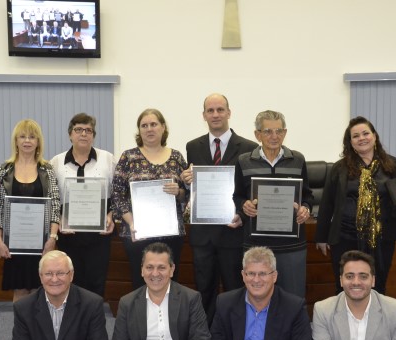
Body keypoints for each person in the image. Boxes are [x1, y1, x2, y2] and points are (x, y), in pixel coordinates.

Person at [180, 93, 257, 326]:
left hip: (233, 232)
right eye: (210, 110)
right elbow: (194, 186)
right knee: (204, 290)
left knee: (235, 289)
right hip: (203, 235)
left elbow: (250, 191)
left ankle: (234, 337)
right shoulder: (193, 146)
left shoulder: (248, 148)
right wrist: (186, 181)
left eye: (220, 110)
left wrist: (242, 216)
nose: (215, 114)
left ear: (229, 113)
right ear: (204, 115)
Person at [315, 116, 396, 294]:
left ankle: (375, 322)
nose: (362, 138)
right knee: (346, 286)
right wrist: (321, 236)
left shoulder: (392, 165)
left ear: (374, 136)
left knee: (378, 284)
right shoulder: (339, 168)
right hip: (345, 237)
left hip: (381, 239)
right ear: (350, 142)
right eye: (356, 136)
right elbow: (327, 204)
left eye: (366, 133)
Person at [207, 246, 314, 340]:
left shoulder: (293, 307)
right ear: (243, 275)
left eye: (263, 273)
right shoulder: (226, 302)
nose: (256, 280)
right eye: (251, 273)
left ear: (274, 276)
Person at [1, 250, 109, 340]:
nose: (54, 279)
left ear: (71, 275)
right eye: (48, 274)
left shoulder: (92, 304)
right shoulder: (24, 307)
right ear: (40, 277)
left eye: (60, 273)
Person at [109, 242, 210, 340]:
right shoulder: (127, 302)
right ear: (142, 270)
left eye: (161, 267)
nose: (155, 273)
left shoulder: (190, 298)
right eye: (149, 267)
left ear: (172, 269)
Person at [233, 110, 312, 298]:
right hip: (256, 246)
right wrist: (244, 205)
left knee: (293, 299)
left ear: (285, 133)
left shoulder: (298, 159)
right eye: (268, 131)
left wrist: (305, 209)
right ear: (257, 134)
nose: (274, 136)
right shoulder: (244, 161)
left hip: (291, 245)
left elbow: (307, 196)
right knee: (257, 298)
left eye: (279, 131)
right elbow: (237, 196)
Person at [112, 108, 187, 290]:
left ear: (163, 127)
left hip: (170, 233)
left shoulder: (176, 157)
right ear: (139, 130)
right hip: (137, 232)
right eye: (144, 125)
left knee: (170, 282)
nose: (149, 129)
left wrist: (179, 192)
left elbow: (187, 192)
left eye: (153, 124)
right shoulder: (128, 157)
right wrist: (131, 223)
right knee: (141, 283)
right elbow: (117, 193)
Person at [0, 119, 60, 302]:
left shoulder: (47, 169)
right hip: (14, 244)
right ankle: (22, 331)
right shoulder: (4, 170)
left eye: (32, 136)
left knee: (42, 292)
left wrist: (52, 239)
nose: (27, 141)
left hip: (41, 243)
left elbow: (55, 205)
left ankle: (41, 331)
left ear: (38, 141)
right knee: (20, 292)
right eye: (22, 136)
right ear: (16, 141)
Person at [50, 113, 116, 298]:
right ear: (70, 134)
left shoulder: (108, 159)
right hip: (68, 234)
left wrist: (111, 214)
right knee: (69, 281)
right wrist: (59, 220)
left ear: (93, 135)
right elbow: (52, 198)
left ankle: (93, 324)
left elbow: (118, 193)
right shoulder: (55, 162)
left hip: (99, 234)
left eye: (88, 130)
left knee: (96, 282)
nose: (84, 134)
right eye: (78, 130)